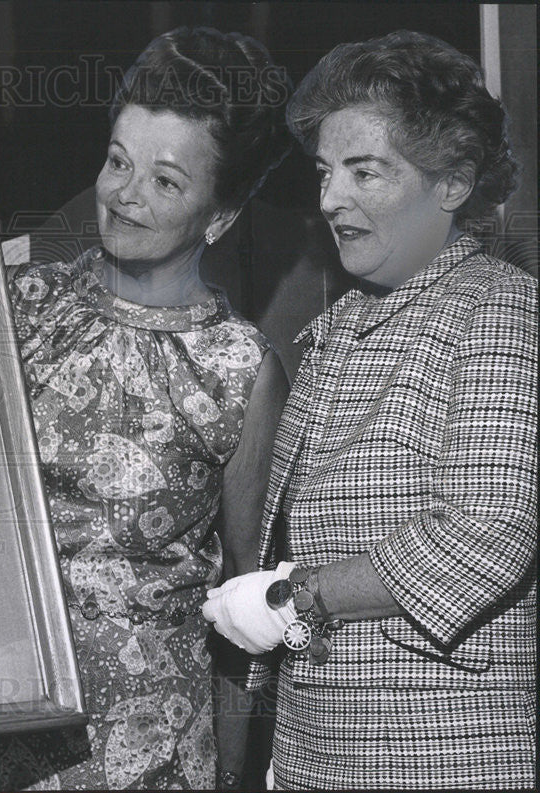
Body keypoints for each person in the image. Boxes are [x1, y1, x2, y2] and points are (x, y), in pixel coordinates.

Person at [0, 27, 293, 790]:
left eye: (165, 181)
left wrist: (230, 775)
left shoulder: (240, 370)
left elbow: (243, 607)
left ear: (218, 217)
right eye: (118, 161)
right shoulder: (19, 302)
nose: (124, 194)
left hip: (152, 755)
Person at [202, 30, 536, 790]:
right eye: (325, 173)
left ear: (451, 182)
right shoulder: (341, 329)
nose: (329, 199)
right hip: (325, 744)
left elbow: (487, 533)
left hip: (440, 751)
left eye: (365, 172)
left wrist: (295, 597)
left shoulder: (497, 307)